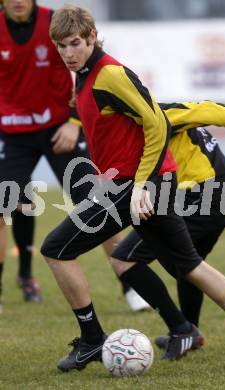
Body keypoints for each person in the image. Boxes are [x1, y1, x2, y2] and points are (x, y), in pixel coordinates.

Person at [42, 5, 225, 372]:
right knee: (188, 265)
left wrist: (141, 186)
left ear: (92, 37)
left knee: (56, 249)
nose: (68, 53)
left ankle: (92, 340)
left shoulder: (110, 75)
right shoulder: (86, 76)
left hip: (135, 187)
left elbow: (155, 124)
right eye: (61, 46)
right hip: (149, 183)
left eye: (75, 43)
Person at [110, 104, 225, 362]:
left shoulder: (157, 115)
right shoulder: (135, 120)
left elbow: (211, 110)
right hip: (217, 194)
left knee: (126, 257)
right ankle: (200, 332)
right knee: (188, 267)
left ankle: (187, 330)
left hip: (208, 196)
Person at [0, 0, 100, 307]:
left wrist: (74, 122)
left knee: (99, 202)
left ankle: (131, 287)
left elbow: (89, 68)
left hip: (60, 129)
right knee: (10, 204)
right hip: (13, 132)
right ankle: (22, 278)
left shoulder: (55, 22)